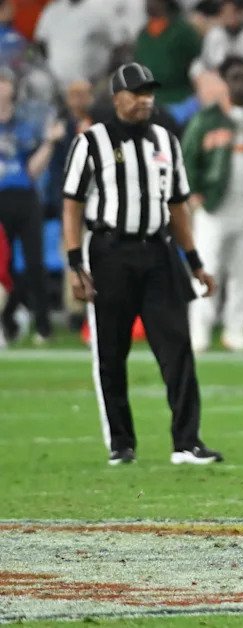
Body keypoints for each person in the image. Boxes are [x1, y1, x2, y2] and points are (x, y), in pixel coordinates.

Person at [61, 63, 222, 466]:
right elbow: (72, 205)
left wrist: (195, 261)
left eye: (149, 93)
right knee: (111, 352)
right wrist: (75, 263)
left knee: (178, 348)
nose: (145, 100)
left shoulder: (166, 140)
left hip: (158, 252)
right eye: (136, 93)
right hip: (110, 252)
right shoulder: (91, 141)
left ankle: (186, 442)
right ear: (117, 98)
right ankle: (121, 443)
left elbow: (177, 205)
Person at [182, 55, 243, 352]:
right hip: (214, 205)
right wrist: (193, 194)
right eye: (235, 77)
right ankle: (199, 330)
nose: (241, 83)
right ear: (224, 80)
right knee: (207, 267)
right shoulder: (206, 119)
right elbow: (187, 158)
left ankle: (237, 329)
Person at [0, 69, 59, 345]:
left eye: (4, 83)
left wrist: (49, 142)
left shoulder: (25, 123)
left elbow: (32, 171)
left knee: (35, 263)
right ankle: (9, 319)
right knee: (3, 266)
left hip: (24, 197)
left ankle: (43, 326)